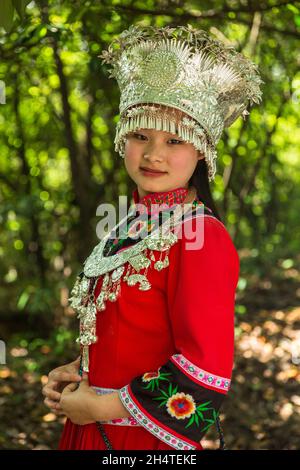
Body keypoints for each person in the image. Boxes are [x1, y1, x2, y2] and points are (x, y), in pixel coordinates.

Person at [42, 24, 263, 450]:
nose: (153, 154)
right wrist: (77, 372)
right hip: (90, 431)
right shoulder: (129, 225)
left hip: (143, 443)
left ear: (202, 150)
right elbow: (128, 338)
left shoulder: (201, 236)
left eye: (174, 140)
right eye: (140, 135)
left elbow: (205, 372)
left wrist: (100, 407)